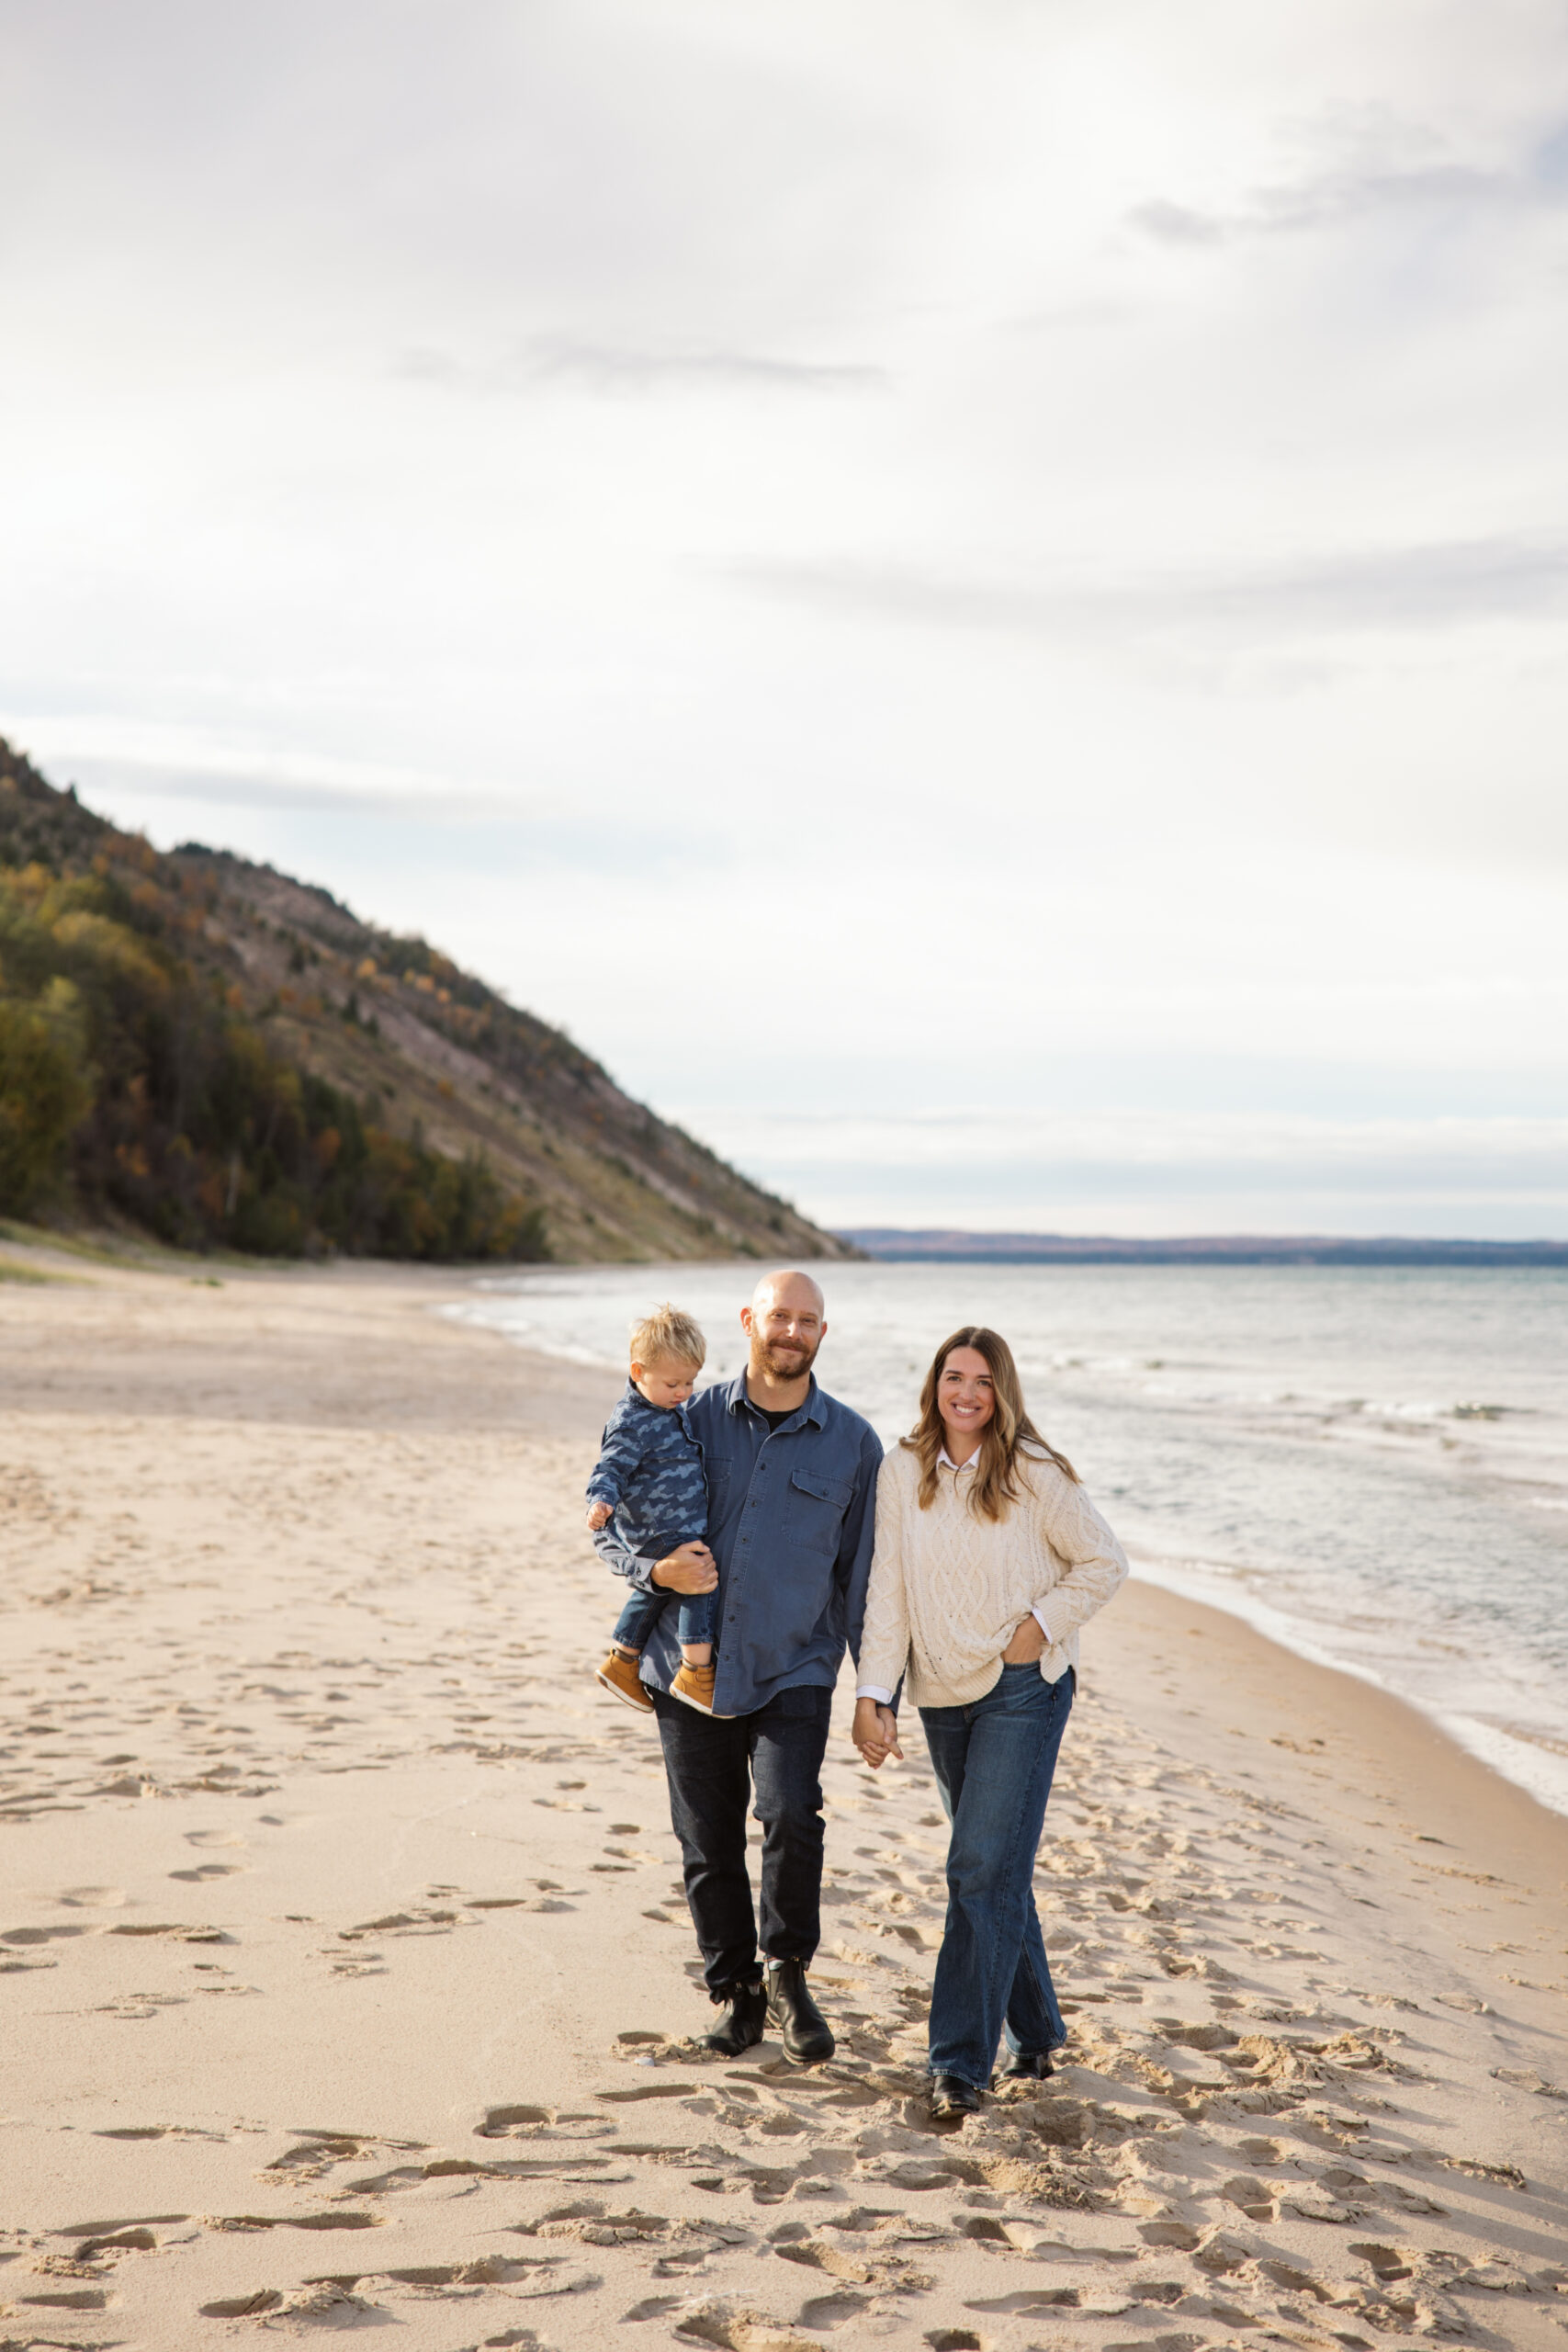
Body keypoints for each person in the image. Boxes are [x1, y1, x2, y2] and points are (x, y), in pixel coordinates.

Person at [593, 1269, 884, 2065]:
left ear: (823, 1334)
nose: (792, 1331)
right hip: (687, 1668)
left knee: (792, 1813)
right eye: (779, 1317)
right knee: (705, 1835)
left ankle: (788, 1975)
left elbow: (859, 1578)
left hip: (795, 1665)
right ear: (750, 1320)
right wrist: (654, 1576)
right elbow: (618, 1520)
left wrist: (872, 1690)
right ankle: (736, 1992)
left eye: (808, 1321)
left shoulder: (855, 1443)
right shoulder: (685, 1417)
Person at [853, 1326, 1127, 2121]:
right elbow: (886, 1591)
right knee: (993, 1866)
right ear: (933, 1385)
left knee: (976, 1867)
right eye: (952, 1377)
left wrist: (1039, 1625)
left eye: (980, 1380)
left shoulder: (1034, 1474)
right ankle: (1037, 2031)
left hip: (1021, 1689)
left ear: (1002, 1393)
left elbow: (1103, 1561)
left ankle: (959, 2065)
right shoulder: (902, 1471)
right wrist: (877, 1693)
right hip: (941, 1694)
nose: (964, 1393)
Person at [588, 1304, 720, 1716]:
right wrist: (601, 1500)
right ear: (638, 1371)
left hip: (672, 1522)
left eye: (690, 1382)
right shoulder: (633, 1421)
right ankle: (695, 1672)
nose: (683, 1392)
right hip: (657, 1525)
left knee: (653, 1595)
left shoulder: (666, 1408)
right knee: (698, 1577)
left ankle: (623, 1660)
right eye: (673, 1383)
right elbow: (610, 1466)